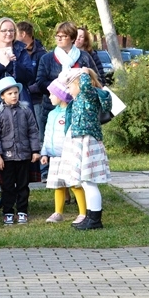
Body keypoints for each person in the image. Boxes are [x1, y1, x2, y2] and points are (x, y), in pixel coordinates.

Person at [60, 68, 112, 231]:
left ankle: (95, 219)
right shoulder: (78, 100)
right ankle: (90, 216)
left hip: (87, 142)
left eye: (69, 86)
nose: (68, 90)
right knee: (84, 181)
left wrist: (83, 73)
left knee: (89, 182)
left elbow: (87, 86)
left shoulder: (87, 95)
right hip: (80, 141)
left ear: (79, 85)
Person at [0, 76, 41, 225]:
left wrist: (35, 150)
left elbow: (33, 131)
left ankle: (22, 211)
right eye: (9, 93)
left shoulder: (26, 111)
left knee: (23, 185)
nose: (13, 96)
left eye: (15, 92)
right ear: (2, 96)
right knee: (7, 185)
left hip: (24, 154)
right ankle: (8, 212)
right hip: (6, 157)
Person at [40, 80, 86, 224]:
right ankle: (58, 212)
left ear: (61, 95)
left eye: (52, 94)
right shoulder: (52, 114)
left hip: (69, 155)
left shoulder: (71, 113)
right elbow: (47, 134)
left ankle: (83, 213)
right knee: (58, 184)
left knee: (74, 184)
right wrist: (44, 152)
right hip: (54, 156)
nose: (49, 97)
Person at [17, 21, 48, 123]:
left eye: (15, 33)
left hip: (36, 101)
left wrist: (27, 90)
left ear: (23, 34)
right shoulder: (16, 51)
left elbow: (43, 79)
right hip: (18, 99)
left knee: (38, 132)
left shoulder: (41, 54)